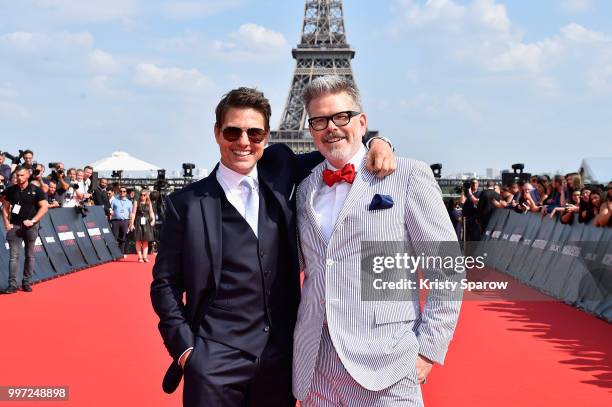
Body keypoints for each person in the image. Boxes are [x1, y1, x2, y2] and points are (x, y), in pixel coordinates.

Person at [150, 86, 396, 407]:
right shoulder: (185, 204)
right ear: (217, 133)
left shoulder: (280, 167)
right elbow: (165, 284)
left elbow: (340, 149)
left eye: (254, 133)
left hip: (280, 360)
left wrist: (378, 141)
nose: (243, 142)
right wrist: (186, 351)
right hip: (213, 362)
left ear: (266, 137)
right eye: (232, 131)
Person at [292, 76, 462, 406]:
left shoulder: (408, 176)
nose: (332, 128)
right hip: (316, 364)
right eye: (319, 121)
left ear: (362, 121)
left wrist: (428, 348)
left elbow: (448, 268)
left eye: (341, 117)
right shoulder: (303, 188)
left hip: (385, 363)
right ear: (310, 128)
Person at [0, 165, 49, 293]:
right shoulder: (11, 190)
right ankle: (12, 284)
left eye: (21, 175)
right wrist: (6, 223)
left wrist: (33, 221)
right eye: (17, 175)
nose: (19, 177)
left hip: (31, 227)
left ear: (28, 175)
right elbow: (4, 206)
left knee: (29, 256)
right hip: (14, 226)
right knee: (13, 256)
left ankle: (26, 282)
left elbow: (44, 207)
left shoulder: (36, 190)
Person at [129, 188, 155, 262]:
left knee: (146, 241)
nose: (142, 196)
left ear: (147, 196)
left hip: (147, 223)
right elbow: (133, 213)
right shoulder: (136, 202)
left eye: (144, 195)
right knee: (138, 241)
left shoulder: (149, 203)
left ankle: (145, 257)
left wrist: (153, 220)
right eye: (141, 195)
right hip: (138, 222)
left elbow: (151, 212)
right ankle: (140, 257)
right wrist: (131, 224)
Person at [110, 187, 132, 258]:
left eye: (124, 191)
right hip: (115, 221)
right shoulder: (114, 201)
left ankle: (121, 253)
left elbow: (131, 213)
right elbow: (110, 211)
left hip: (125, 221)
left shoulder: (129, 202)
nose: (122, 193)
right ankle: (113, 254)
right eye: (121, 191)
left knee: (123, 238)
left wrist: (130, 223)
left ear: (126, 193)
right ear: (119, 192)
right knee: (114, 237)